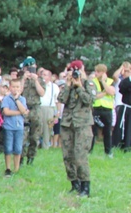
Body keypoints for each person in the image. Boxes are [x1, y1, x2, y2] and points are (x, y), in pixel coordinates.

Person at [58, 60, 96, 197]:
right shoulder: (68, 85)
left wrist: (80, 86)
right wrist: (68, 85)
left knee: (80, 156)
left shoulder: (88, 84)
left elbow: (90, 101)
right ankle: (74, 184)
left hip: (83, 124)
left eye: (77, 70)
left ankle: (85, 186)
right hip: (68, 124)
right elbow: (61, 99)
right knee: (68, 156)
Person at [19, 57, 45, 163]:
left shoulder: (40, 80)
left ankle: (31, 156)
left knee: (35, 135)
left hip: (35, 108)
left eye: (32, 66)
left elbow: (42, 93)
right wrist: (23, 79)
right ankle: (21, 157)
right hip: (24, 108)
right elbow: (18, 92)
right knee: (22, 135)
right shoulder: (21, 78)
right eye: (28, 67)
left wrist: (36, 80)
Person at [0, 79, 29, 176]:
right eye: (13, 87)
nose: (15, 89)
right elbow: (6, 112)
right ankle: (8, 168)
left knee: (18, 149)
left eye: (17, 87)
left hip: (19, 127)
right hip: (9, 127)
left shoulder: (22, 99)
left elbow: (24, 110)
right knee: (8, 148)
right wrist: (20, 112)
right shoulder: (6, 99)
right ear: (10, 87)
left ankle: (16, 168)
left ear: (21, 88)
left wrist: (17, 100)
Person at [90, 63, 115, 156]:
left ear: (104, 72)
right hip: (96, 109)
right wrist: (105, 92)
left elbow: (112, 92)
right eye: (95, 71)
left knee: (107, 132)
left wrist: (104, 82)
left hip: (107, 110)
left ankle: (108, 152)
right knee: (93, 132)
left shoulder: (110, 81)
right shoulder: (92, 82)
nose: (96, 73)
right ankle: (89, 151)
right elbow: (93, 96)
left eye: (98, 71)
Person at [112, 62, 131, 150]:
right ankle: (120, 143)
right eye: (125, 71)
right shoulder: (124, 81)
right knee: (122, 126)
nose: (126, 73)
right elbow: (122, 89)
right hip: (125, 106)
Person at [39, 69, 60, 149]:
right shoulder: (38, 84)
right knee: (38, 127)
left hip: (49, 108)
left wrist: (57, 112)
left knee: (47, 128)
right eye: (42, 74)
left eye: (45, 75)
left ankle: (45, 146)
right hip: (39, 107)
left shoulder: (54, 87)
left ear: (50, 77)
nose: (43, 76)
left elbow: (57, 100)